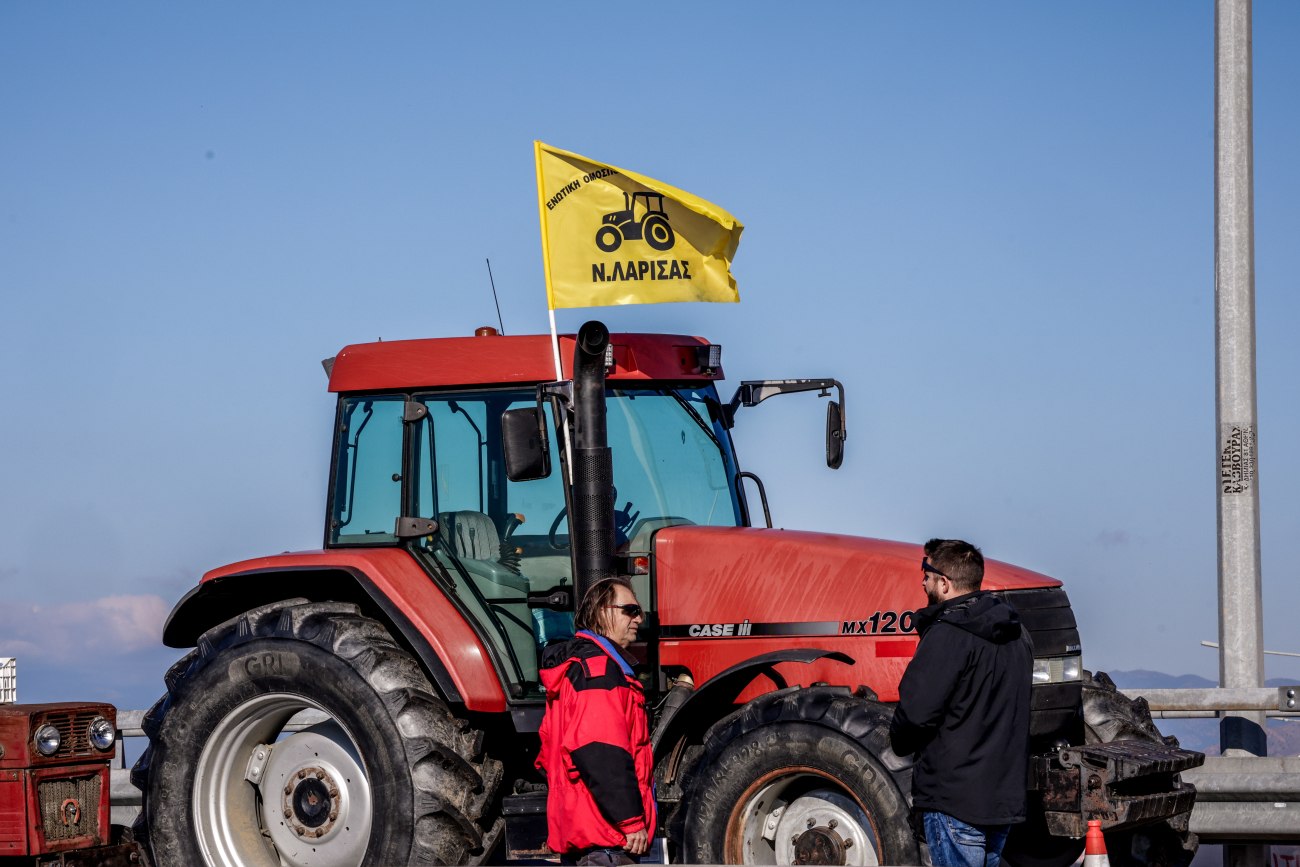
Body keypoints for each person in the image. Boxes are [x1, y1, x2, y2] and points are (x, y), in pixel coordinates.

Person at [888, 539, 1033, 867]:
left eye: (926, 573)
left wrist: (898, 742)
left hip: (953, 798)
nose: (922, 581)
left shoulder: (947, 634)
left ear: (944, 582)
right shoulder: (1018, 634)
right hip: (1002, 797)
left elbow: (915, 713)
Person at [536, 577, 655, 866]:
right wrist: (629, 819)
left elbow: (546, 759)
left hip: (596, 836)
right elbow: (600, 749)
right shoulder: (599, 672)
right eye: (630, 610)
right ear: (603, 611)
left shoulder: (585, 668)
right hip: (607, 841)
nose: (639, 618)